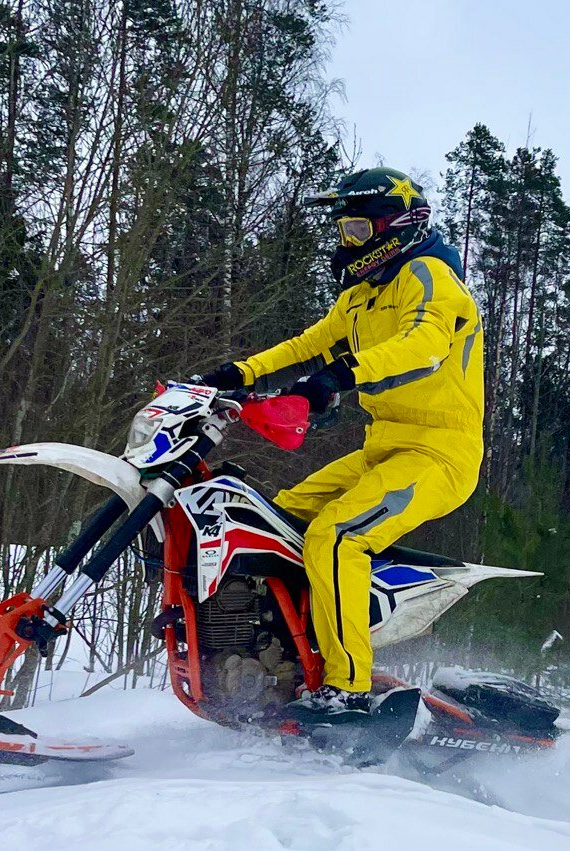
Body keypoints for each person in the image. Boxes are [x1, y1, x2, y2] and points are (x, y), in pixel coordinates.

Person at [193, 167, 484, 714]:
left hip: (441, 452)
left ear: (392, 225)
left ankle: (345, 691)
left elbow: (424, 343)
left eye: (353, 230)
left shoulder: (431, 277)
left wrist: (335, 378)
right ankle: (281, 658)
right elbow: (307, 344)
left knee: (337, 537)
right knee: (272, 521)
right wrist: (231, 376)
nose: (344, 243)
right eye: (342, 232)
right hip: (383, 447)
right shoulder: (359, 297)